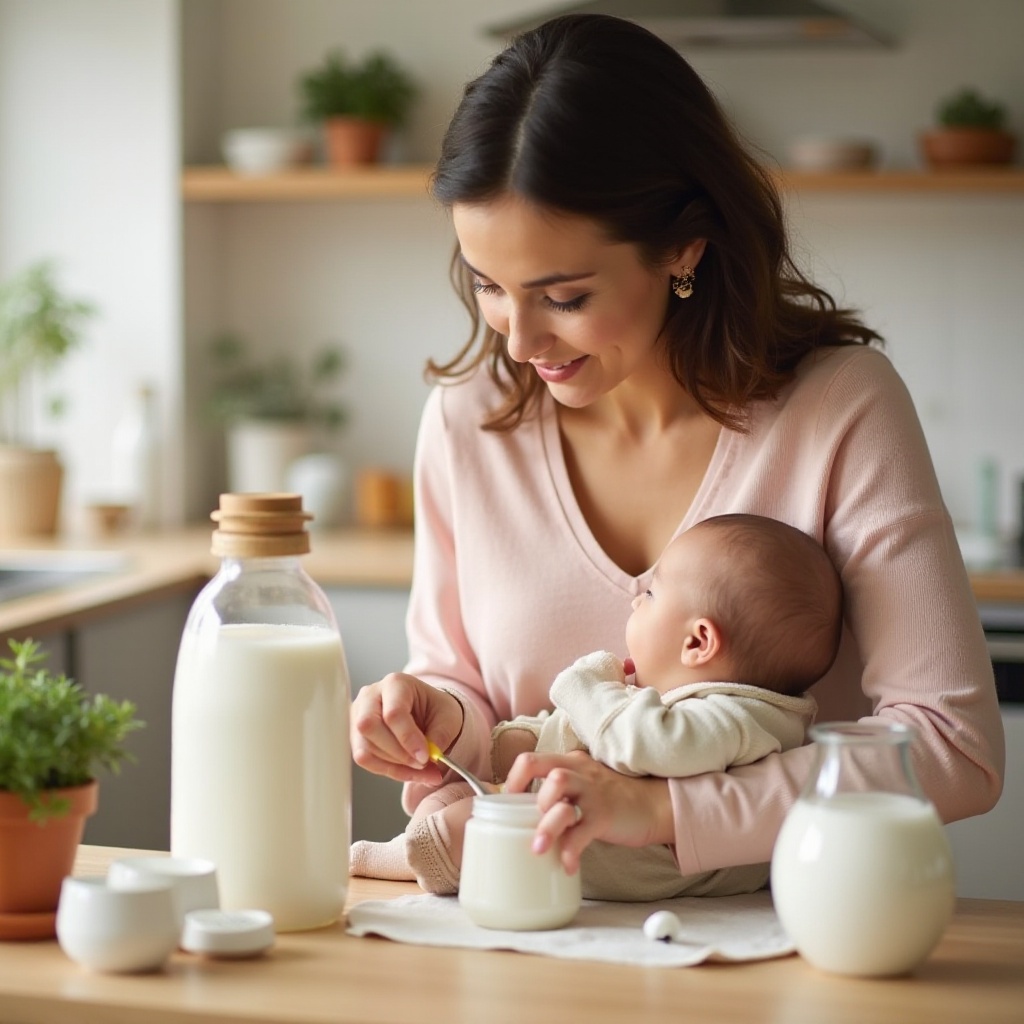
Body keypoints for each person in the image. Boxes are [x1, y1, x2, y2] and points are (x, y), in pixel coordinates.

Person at [350, 13, 1003, 888]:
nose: (519, 341)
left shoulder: (839, 408)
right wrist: (426, 714)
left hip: (799, 942)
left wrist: (664, 814)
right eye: (489, 287)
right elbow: (464, 692)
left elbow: (954, 747)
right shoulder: (467, 424)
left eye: (566, 296)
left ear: (684, 248)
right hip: (518, 938)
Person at [351, 513, 840, 900]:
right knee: (462, 795)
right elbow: (584, 736)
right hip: (580, 811)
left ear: (698, 642)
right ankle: (416, 840)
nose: (634, 601)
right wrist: (497, 740)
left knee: (467, 830)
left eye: (650, 593)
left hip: (623, 857)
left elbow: (643, 746)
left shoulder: (739, 718)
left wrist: (587, 683)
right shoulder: (686, 700)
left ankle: (396, 861)